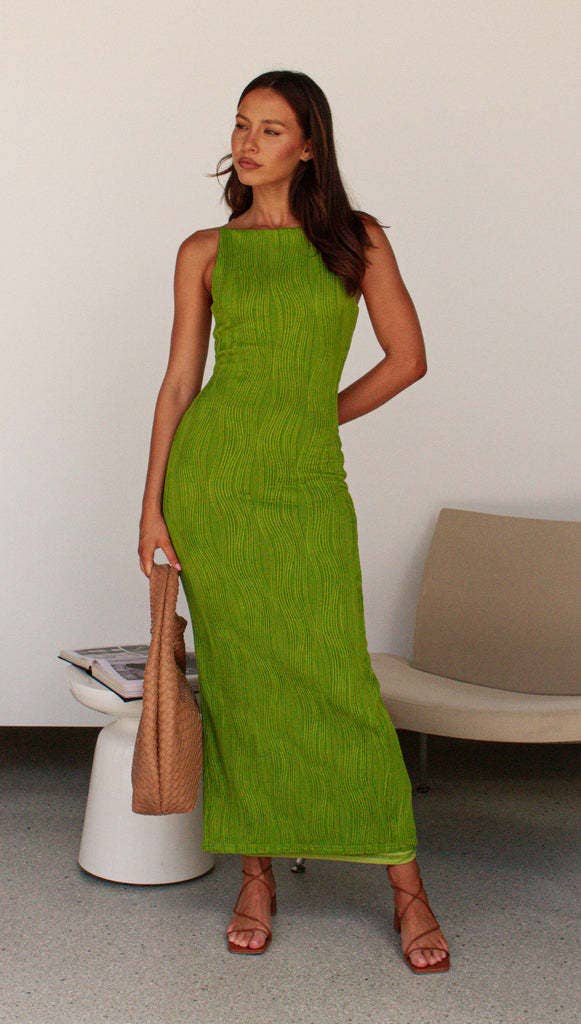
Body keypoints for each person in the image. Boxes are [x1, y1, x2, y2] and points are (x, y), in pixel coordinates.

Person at [138, 70, 450, 974]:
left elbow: (407, 359)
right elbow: (179, 382)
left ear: (308, 146)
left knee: (336, 678)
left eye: (270, 129)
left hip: (306, 486)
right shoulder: (205, 250)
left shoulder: (355, 239)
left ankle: (407, 887)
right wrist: (151, 503)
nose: (248, 142)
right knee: (239, 686)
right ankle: (256, 878)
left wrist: (317, 419)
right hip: (213, 485)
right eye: (241, 125)